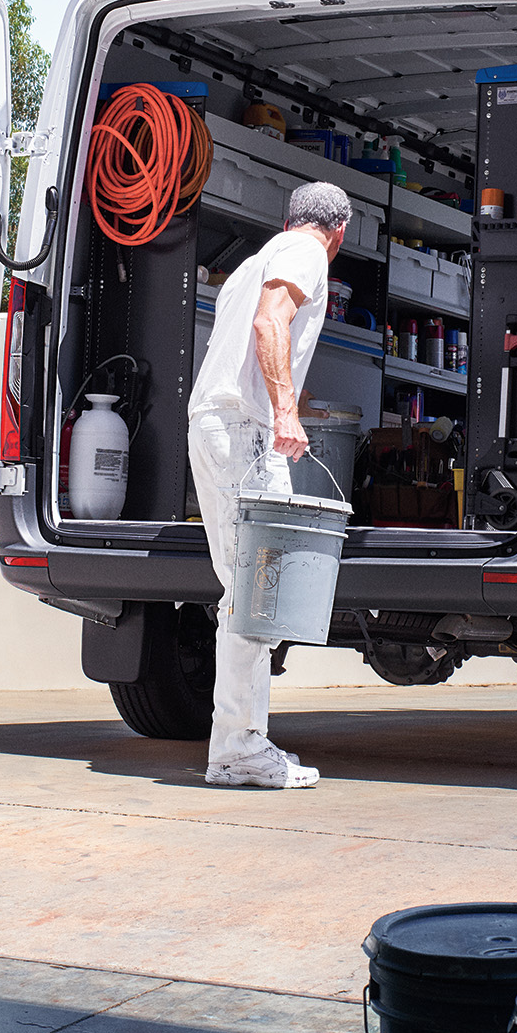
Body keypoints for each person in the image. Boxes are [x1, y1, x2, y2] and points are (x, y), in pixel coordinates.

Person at [186, 180, 352, 788]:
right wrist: (285, 412)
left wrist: (284, 398)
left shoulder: (251, 263)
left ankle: (236, 745)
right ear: (340, 232)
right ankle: (237, 749)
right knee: (258, 592)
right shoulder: (304, 251)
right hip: (244, 429)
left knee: (244, 591)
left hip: (216, 424)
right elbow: (269, 323)